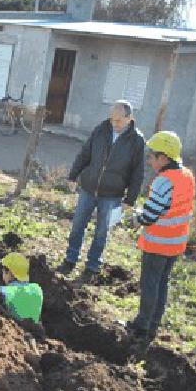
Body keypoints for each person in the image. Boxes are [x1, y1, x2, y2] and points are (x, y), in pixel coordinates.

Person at [56, 100, 146, 281]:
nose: (114, 124)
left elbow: (138, 172)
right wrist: (73, 175)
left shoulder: (137, 141)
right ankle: (70, 260)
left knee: (102, 232)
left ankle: (92, 266)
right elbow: (85, 154)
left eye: (118, 120)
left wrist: (130, 199)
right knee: (77, 226)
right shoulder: (101, 130)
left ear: (130, 119)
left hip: (112, 195)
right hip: (88, 188)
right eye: (112, 119)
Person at [124, 131, 196, 343]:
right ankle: (153, 325)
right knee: (162, 283)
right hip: (176, 242)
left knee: (150, 284)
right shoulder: (187, 175)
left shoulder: (163, 181)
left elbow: (149, 216)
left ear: (163, 157)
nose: (149, 160)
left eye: (152, 156)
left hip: (158, 244)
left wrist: (136, 217)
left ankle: (141, 326)